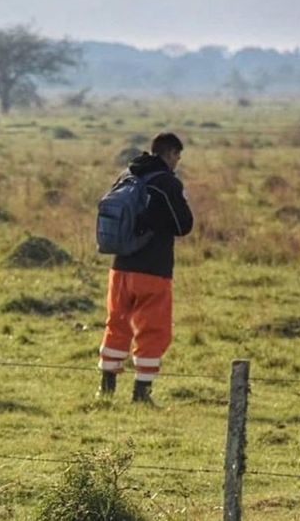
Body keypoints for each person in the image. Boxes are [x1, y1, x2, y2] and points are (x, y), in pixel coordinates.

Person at [97, 132, 193, 405]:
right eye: (177, 156)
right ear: (171, 153)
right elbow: (183, 225)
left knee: (117, 325)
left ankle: (106, 389)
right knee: (153, 328)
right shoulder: (166, 183)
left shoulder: (127, 175)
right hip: (153, 269)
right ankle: (141, 393)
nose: (177, 161)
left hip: (120, 267)